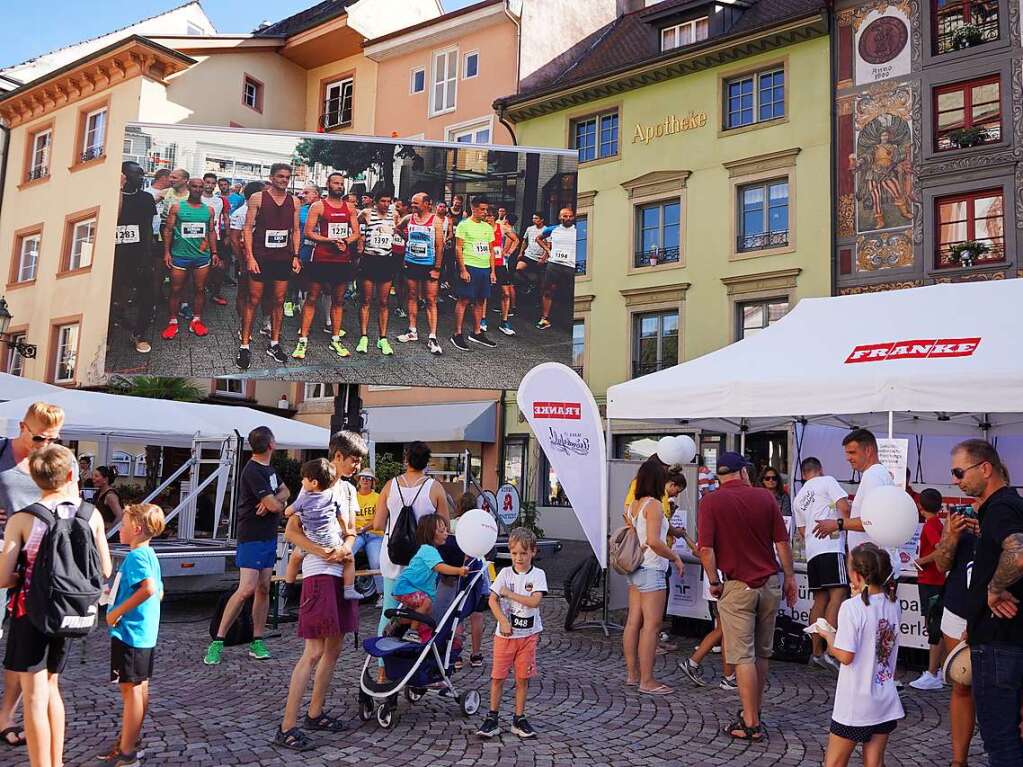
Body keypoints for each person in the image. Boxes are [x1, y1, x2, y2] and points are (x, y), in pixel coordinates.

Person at [0, 444, 112, 767]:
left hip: (30, 613)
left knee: (34, 693)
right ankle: (57, 762)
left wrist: (23, 573)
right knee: (53, 687)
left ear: (35, 478)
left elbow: (3, 576)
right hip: (70, 612)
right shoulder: (91, 515)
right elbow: (104, 569)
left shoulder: (23, 518)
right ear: (69, 475)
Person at [275, 430, 365, 752]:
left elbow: (351, 531)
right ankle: (287, 726)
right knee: (312, 652)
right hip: (318, 574)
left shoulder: (350, 491)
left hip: (340, 573)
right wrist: (322, 551)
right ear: (338, 457)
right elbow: (290, 532)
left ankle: (315, 713)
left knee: (333, 649)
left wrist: (345, 549)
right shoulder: (313, 483)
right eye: (354, 460)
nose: (357, 466)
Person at [698, 451, 797, 741]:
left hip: (737, 585)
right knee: (762, 652)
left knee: (743, 655)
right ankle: (755, 712)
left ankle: (750, 721)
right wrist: (790, 576)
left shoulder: (711, 502)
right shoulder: (765, 497)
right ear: (743, 472)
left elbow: (706, 549)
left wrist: (714, 581)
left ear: (720, 475)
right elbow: (782, 541)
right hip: (768, 583)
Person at [953, 440, 1023, 765]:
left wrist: (993, 590)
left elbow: (1018, 554)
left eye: (958, 472)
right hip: (1000, 638)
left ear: (985, 468)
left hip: (1000, 645)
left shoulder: (1000, 507)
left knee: (1001, 740)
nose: (955, 479)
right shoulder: (1007, 505)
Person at [0, 403, 65, 750]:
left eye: (52, 438)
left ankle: (7, 716)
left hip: (37, 572)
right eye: (38, 436)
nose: (44, 444)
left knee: (20, 650)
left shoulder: (57, 460)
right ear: (22, 427)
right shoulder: (2, 451)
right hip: (3, 557)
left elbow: (71, 510)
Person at [204, 427, 290, 665]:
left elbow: (285, 491)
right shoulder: (252, 470)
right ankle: (218, 641)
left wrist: (275, 500)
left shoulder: (269, 469)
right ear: (271, 444)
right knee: (246, 589)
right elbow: (274, 505)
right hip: (251, 536)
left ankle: (257, 640)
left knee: (263, 588)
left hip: (268, 536)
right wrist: (275, 504)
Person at [818, 543, 904, 767]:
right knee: (874, 763)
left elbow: (846, 656)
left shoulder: (851, 607)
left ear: (856, 575)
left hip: (856, 701)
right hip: (884, 696)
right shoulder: (894, 604)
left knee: (835, 763)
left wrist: (828, 637)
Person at [97, 503, 165, 767]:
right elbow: (159, 591)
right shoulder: (149, 554)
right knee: (140, 688)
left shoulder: (135, 557)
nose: (120, 529)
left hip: (130, 633)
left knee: (131, 689)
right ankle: (130, 740)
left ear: (136, 529)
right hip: (144, 634)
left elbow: (148, 589)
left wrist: (116, 612)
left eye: (123, 525)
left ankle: (127, 752)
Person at [372, 442, 450, 653]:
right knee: (421, 611)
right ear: (427, 462)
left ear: (405, 460)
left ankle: (382, 667)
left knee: (389, 610)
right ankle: (414, 662)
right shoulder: (434, 488)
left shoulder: (390, 486)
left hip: (392, 555)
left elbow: (378, 524)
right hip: (424, 560)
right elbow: (445, 525)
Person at [622, 458, 685, 695]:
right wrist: (675, 558)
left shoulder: (635, 504)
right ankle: (647, 680)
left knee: (632, 622)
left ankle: (632, 674)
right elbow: (654, 541)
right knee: (651, 626)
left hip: (636, 568)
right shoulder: (654, 505)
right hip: (652, 568)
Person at [477, 527, 547, 740]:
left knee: (522, 678)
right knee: (498, 677)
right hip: (505, 637)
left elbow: (535, 601)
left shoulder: (538, 575)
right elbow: (492, 599)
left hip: (528, 636)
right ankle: (492, 717)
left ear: (533, 552)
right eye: (515, 553)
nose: (519, 558)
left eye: (523, 553)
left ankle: (519, 717)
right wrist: (503, 620)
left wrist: (510, 593)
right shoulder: (505, 574)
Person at [675, 463, 736, 690]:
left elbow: (700, 549)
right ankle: (720, 673)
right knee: (725, 628)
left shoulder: (711, 511)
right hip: (719, 578)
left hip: (716, 578)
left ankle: (705, 666)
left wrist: (688, 538)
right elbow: (705, 550)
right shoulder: (721, 515)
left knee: (723, 627)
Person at [292, 172, 361, 362]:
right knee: (312, 298)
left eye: (341, 184)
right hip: (321, 258)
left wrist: (345, 241)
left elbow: (356, 233)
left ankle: (336, 339)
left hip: (342, 259)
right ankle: (303, 339)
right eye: (335, 183)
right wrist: (329, 241)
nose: (339, 186)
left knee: (338, 300)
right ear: (328, 185)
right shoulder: (318, 206)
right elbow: (308, 233)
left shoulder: (350, 207)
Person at [932, 502, 981, 767]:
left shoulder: (1008, 514)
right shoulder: (957, 522)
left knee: (1006, 687)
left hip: (995, 612)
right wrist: (951, 535)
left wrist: (985, 532)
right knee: (961, 684)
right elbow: (941, 564)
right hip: (957, 607)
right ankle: (958, 761)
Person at [239, 163, 301, 369]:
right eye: (280, 176)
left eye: (287, 177)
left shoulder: (294, 201)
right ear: (272, 177)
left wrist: (296, 255)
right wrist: (250, 257)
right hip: (261, 256)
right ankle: (245, 345)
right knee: (254, 300)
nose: (284, 180)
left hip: (283, 257)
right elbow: (247, 228)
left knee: (279, 300)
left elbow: (295, 230)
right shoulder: (258, 198)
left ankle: (274, 343)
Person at [793, 457, 850, 674]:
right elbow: (843, 507)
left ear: (804, 473)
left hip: (812, 552)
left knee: (819, 599)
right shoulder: (827, 481)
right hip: (831, 546)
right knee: (838, 595)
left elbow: (801, 531)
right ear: (820, 469)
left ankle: (816, 652)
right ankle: (830, 650)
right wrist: (849, 527)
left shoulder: (799, 498)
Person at [282, 458, 361, 602]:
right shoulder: (332, 495)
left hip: (310, 540)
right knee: (349, 559)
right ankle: (349, 589)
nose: (301, 482)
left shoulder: (304, 498)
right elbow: (340, 517)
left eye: (304, 479)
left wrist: (287, 510)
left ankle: (288, 586)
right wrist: (346, 531)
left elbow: (288, 513)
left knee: (294, 559)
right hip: (331, 541)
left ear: (314, 483)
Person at [814, 429, 896, 566]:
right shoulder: (877, 474)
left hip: (873, 566)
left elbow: (872, 521)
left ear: (868, 450)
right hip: (875, 562)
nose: (848, 458)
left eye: (852, 452)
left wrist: (836, 524)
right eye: (847, 453)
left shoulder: (873, 475)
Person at [390, 514, 468, 642]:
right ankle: (411, 632)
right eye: (441, 531)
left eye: (446, 530)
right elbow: (440, 567)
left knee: (427, 611)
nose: (446, 534)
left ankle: (398, 621)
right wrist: (458, 570)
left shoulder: (428, 550)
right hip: (406, 587)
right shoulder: (428, 550)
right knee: (426, 603)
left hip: (406, 588)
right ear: (430, 533)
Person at [161, 176, 219, 340]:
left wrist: (214, 252)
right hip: (180, 256)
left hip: (202, 257)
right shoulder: (177, 208)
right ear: (188, 187)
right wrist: (167, 252)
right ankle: (172, 321)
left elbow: (211, 231)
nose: (198, 189)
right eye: (194, 186)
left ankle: (197, 319)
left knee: (200, 289)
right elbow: (168, 230)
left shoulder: (209, 210)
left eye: (200, 187)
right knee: (175, 289)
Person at [114, 161, 159, 354]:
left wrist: (148, 256)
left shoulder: (146, 198)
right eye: (136, 174)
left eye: (142, 175)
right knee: (113, 298)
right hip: (115, 256)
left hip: (139, 254)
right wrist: (118, 188)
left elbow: (148, 229)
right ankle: (108, 335)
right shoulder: (112, 195)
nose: (141, 178)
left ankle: (139, 334)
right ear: (123, 175)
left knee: (148, 297)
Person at [396, 191, 445, 354]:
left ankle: (432, 337)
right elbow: (398, 228)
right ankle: (412, 331)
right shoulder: (409, 218)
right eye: (412, 202)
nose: (413, 205)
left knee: (430, 299)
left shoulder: (435, 221)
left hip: (429, 265)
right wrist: (407, 240)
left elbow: (440, 246)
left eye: (416, 203)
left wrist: (437, 269)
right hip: (411, 263)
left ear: (427, 204)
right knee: (411, 295)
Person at [909, 487, 947, 691]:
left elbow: (940, 548)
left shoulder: (930, 525)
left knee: (933, 626)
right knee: (936, 625)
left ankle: (932, 673)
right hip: (935, 580)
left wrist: (921, 561)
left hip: (931, 581)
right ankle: (939, 670)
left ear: (919, 506)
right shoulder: (937, 523)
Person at [450, 196, 497, 351]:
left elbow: (491, 250)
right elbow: (458, 248)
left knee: (481, 301)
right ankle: (457, 333)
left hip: (484, 268)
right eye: (482, 209)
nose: (485, 212)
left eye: (486, 210)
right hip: (470, 266)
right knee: (464, 300)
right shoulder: (464, 225)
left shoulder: (488, 228)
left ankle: (477, 332)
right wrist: (462, 269)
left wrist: (492, 271)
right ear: (474, 208)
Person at [353, 189, 396, 358]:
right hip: (369, 260)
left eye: (388, 201)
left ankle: (382, 338)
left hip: (386, 260)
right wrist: (360, 242)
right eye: (383, 201)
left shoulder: (395, 215)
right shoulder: (366, 213)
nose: (386, 204)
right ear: (376, 201)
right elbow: (354, 226)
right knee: (366, 300)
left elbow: (399, 230)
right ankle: (363, 336)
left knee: (384, 301)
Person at [229, 181, 266, 330]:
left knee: (263, 292)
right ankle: (243, 323)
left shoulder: (264, 211)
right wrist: (242, 261)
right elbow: (234, 239)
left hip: (263, 257)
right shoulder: (240, 213)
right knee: (243, 292)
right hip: (245, 259)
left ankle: (265, 322)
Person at [534, 207, 577, 330]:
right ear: (559, 217)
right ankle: (545, 318)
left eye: (570, 216)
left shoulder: (578, 230)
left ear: (573, 217)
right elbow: (538, 238)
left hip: (571, 265)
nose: (567, 218)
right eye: (564, 216)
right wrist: (547, 250)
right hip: (554, 264)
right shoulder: (553, 229)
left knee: (572, 293)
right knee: (548, 291)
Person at [353, 469, 383, 602]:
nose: (365, 480)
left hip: (374, 534)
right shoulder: (352, 497)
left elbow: (378, 519)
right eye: (362, 477)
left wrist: (364, 528)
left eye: (368, 478)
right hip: (356, 533)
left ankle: (381, 594)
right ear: (358, 481)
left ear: (372, 482)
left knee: (376, 562)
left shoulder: (378, 497)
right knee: (346, 554)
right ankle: (343, 589)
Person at [201, 172, 230, 309]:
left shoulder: (221, 200)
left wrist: (228, 235)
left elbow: (225, 217)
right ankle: (199, 292)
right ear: (203, 182)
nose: (210, 186)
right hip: (199, 239)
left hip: (217, 237)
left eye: (213, 183)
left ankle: (215, 293)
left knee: (220, 267)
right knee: (201, 268)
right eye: (208, 182)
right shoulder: (196, 198)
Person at [92, 466, 124, 532]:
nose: (93, 478)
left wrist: (109, 532)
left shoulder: (110, 496)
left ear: (105, 479)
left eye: (96, 476)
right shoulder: (98, 493)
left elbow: (120, 516)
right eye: (93, 476)